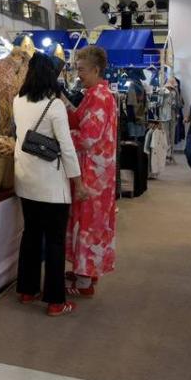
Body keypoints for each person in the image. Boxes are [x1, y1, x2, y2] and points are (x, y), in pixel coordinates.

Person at [14, 52, 86, 316]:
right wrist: (78, 182)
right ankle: (56, 301)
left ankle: (27, 289)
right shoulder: (55, 106)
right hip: (51, 185)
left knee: (31, 235)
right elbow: (66, 148)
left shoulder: (18, 100)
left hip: (25, 180)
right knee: (55, 241)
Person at [62, 46, 117, 299]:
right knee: (89, 222)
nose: (78, 74)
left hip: (94, 172)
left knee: (88, 223)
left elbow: (88, 138)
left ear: (95, 70)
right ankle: (86, 271)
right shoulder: (95, 93)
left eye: (82, 69)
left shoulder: (99, 97)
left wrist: (63, 137)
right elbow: (79, 120)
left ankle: (85, 281)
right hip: (97, 170)